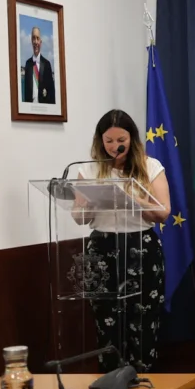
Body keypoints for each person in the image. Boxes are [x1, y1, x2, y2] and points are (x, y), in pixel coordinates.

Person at [75, 110, 171, 372]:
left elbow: (163, 212)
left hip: (141, 247)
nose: (114, 146)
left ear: (132, 139)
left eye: (121, 140)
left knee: (143, 318)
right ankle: (111, 377)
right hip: (102, 248)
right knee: (105, 318)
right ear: (100, 140)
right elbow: (78, 217)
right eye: (108, 141)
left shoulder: (150, 166)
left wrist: (133, 199)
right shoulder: (88, 169)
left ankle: (142, 375)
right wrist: (89, 203)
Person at [22, 26, 55, 104]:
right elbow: (26, 93)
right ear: (31, 41)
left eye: (37, 38)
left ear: (40, 41)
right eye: (33, 38)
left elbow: (52, 94)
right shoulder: (28, 64)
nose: (36, 42)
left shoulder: (47, 64)